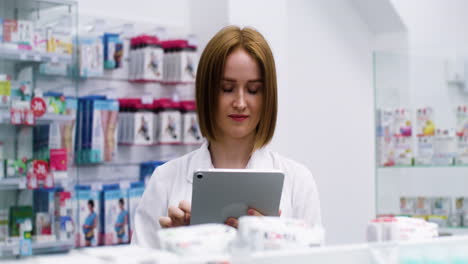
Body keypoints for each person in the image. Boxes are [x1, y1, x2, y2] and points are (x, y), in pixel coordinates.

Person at [132, 26, 321, 247]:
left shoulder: (298, 182)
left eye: (253, 90)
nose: (240, 103)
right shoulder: (165, 180)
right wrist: (177, 250)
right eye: (227, 88)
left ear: (267, 96)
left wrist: (273, 248)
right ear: (207, 92)